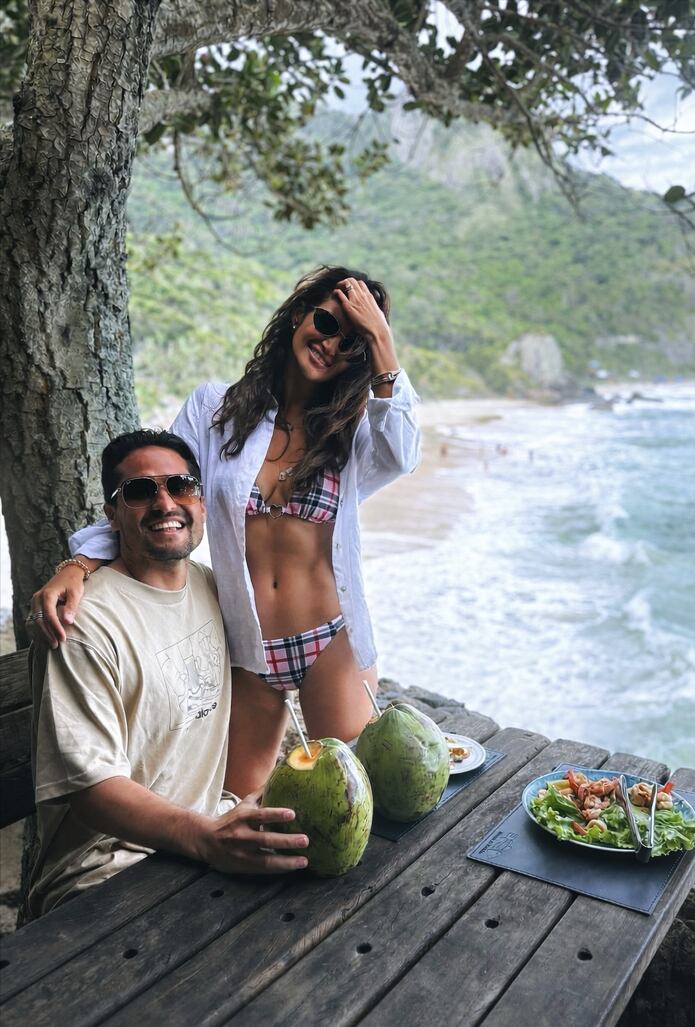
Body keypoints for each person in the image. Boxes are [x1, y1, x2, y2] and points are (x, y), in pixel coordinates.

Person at [30, 266, 420, 798]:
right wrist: (79, 564)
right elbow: (156, 495)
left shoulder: (353, 432)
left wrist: (382, 341)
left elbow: (405, 451)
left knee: (356, 798)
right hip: (247, 644)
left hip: (332, 640)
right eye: (326, 322)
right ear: (298, 315)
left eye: (353, 343)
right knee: (237, 798)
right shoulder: (216, 409)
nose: (331, 345)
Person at [25, 430, 308, 919]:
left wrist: (227, 813)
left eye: (180, 486)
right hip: (106, 871)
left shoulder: (216, 589)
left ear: (199, 499)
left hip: (201, 841)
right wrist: (204, 838)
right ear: (111, 514)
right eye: (139, 491)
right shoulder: (81, 621)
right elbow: (90, 784)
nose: (164, 502)